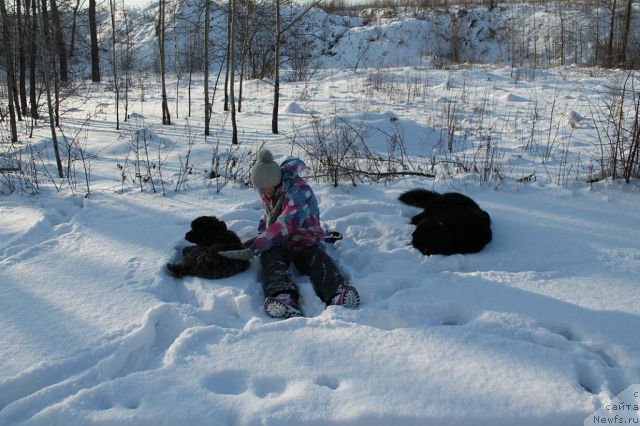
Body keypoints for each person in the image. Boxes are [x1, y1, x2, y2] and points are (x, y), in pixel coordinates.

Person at [219, 149, 360, 318]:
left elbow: (285, 225)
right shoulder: (268, 189)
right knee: (269, 256)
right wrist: (261, 231)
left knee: (316, 259)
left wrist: (255, 247)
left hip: (304, 239)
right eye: (260, 188)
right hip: (282, 240)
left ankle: (337, 291)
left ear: (275, 181)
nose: (263, 192)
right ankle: (283, 297)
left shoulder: (299, 192)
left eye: (265, 188)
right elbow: (269, 216)